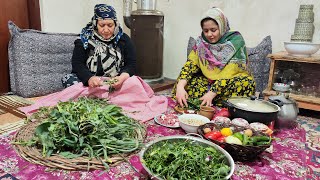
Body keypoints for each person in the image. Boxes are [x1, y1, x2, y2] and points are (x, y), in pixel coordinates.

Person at [172, 7, 255, 108]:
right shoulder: (201, 42)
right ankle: (209, 100)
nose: (209, 35)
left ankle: (209, 99)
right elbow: (190, 64)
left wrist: (212, 92)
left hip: (228, 82)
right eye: (205, 31)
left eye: (213, 30)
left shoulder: (236, 41)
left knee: (247, 83)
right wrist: (180, 86)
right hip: (208, 81)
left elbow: (232, 72)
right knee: (183, 81)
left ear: (222, 26)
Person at [62, 4, 136, 89]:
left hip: (115, 80)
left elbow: (131, 64)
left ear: (115, 24)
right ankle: (105, 95)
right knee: (68, 79)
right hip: (91, 82)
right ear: (95, 24)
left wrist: (122, 77)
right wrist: (89, 78)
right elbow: (77, 64)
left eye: (110, 25)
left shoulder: (124, 39)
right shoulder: (84, 39)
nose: (106, 30)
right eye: (102, 25)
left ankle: (96, 95)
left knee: (134, 81)